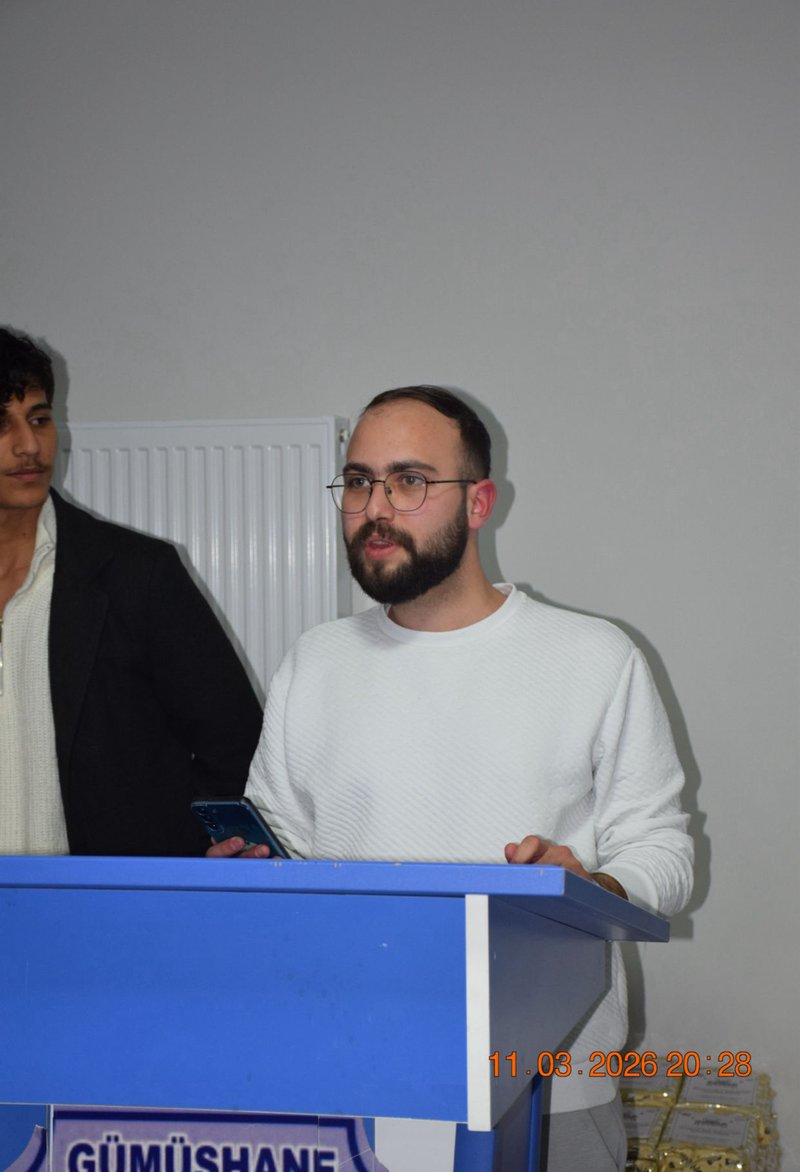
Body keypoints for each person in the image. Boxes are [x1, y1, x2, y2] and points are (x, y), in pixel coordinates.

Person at [210, 385, 693, 1170]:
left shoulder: (595, 657)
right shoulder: (316, 661)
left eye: (408, 481)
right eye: (358, 482)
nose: (375, 508)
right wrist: (245, 866)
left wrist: (592, 886)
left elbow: (664, 853)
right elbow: (283, 842)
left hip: (548, 1085)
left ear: (479, 503)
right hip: (352, 1072)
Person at [0, 326, 263, 856]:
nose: (28, 446)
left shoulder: (137, 574)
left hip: (101, 895)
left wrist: (191, 854)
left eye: (40, 419)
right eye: (1, 424)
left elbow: (235, 741)